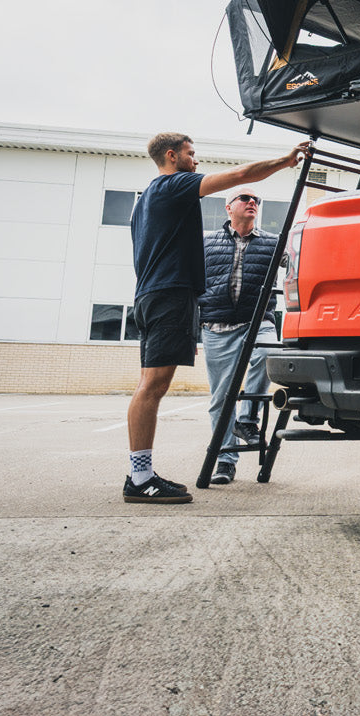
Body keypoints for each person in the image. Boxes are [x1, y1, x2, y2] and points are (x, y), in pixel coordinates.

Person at [125, 131, 309, 504]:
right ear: (173, 156)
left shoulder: (145, 200)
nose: (197, 161)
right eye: (192, 154)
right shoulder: (173, 184)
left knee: (150, 385)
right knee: (153, 387)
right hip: (169, 297)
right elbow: (241, 175)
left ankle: (140, 474)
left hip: (152, 295)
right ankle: (139, 478)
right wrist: (284, 162)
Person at [200, 188, 280, 484]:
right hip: (218, 326)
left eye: (256, 200)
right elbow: (194, 283)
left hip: (257, 321)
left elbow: (298, 264)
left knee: (268, 352)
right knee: (221, 398)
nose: (252, 202)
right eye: (245, 198)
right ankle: (225, 461)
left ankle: (247, 421)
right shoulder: (207, 242)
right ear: (228, 208)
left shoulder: (273, 243)